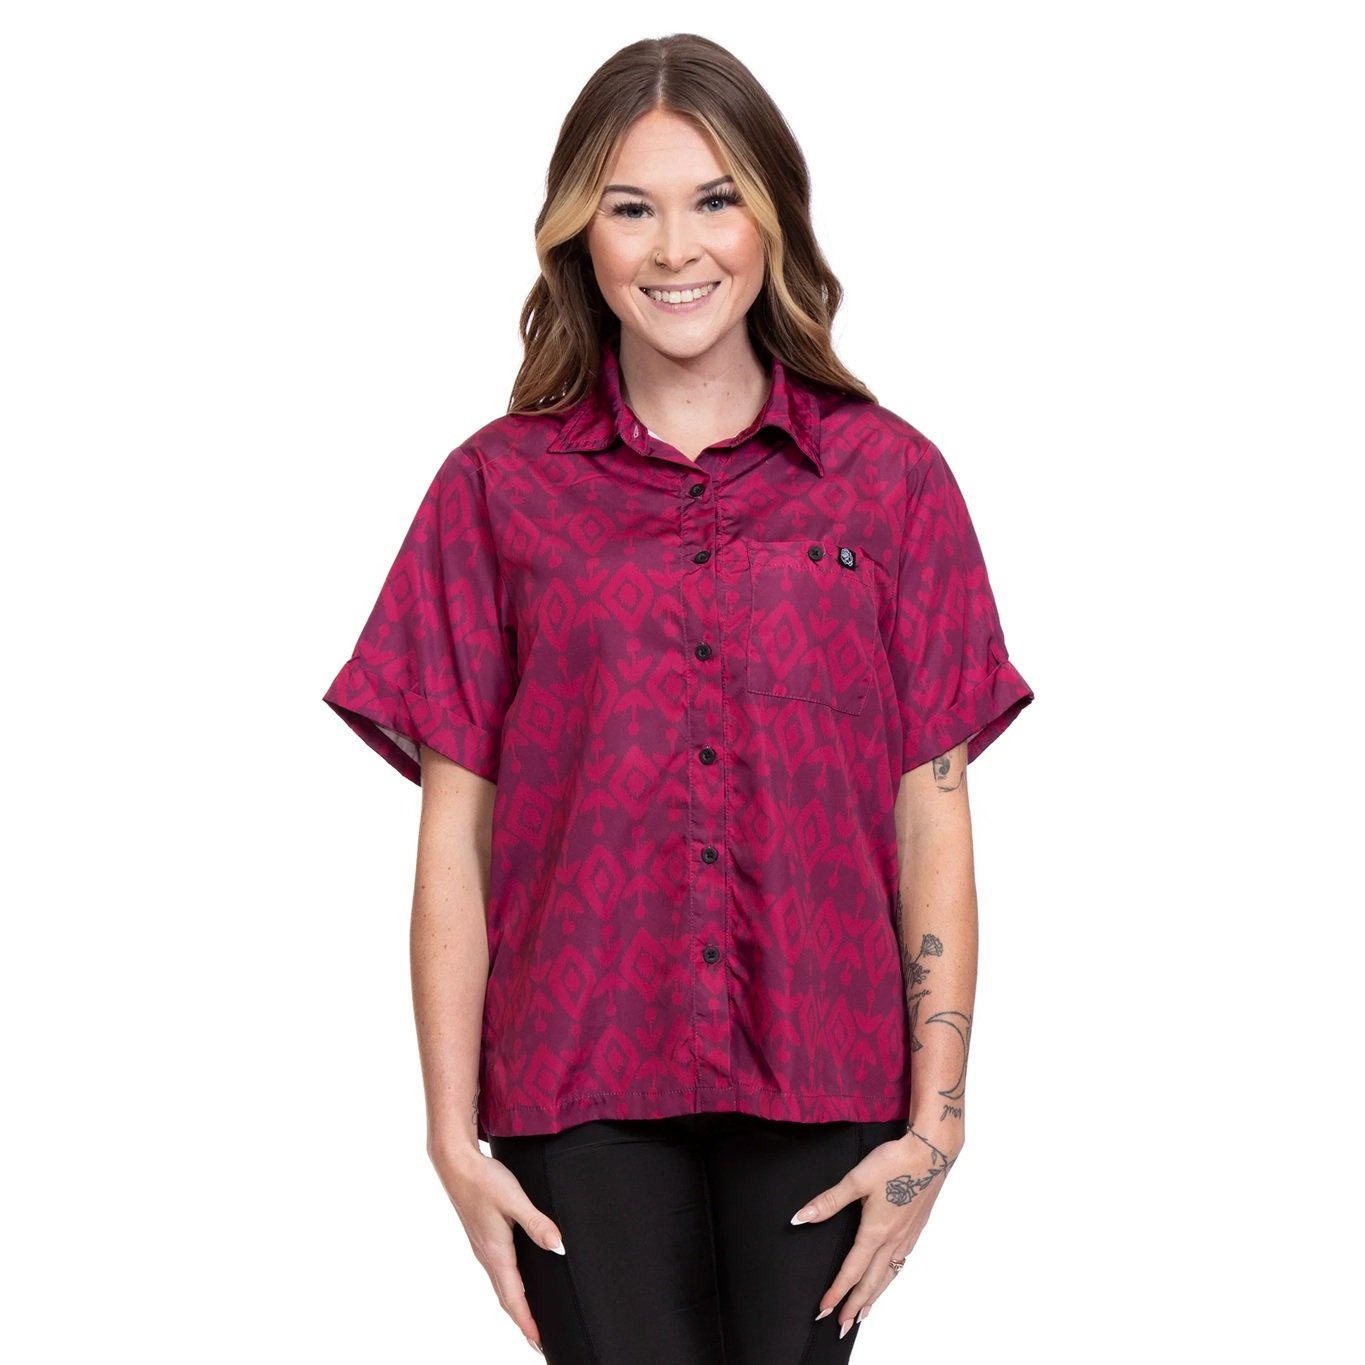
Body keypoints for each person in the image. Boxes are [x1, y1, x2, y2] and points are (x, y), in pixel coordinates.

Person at [322, 32, 1034, 1365]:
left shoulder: (892, 483)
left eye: (713, 200)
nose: (675, 249)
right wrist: (447, 1133)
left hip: (825, 1066)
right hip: (574, 1070)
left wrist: (937, 1121)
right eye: (629, 208)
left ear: (771, 219)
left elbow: (929, 816)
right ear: (577, 237)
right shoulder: (494, 491)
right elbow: (453, 839)